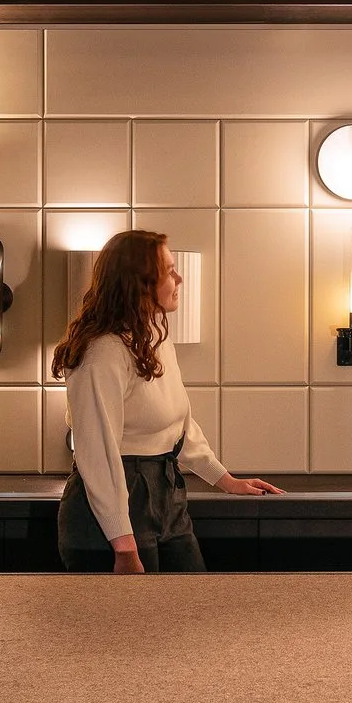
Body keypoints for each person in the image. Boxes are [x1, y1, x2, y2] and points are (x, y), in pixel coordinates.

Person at [52, 230, 282, 571]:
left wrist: (225, 480)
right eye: (170, 270)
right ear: (141, 283)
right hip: (110, 513)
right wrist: (124, 546)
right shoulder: (103, 352)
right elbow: (97, 454)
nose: (180, 278)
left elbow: (179, 426)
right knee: (129, 624)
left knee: (190, 612)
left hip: (166, 495)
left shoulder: (153, 338)